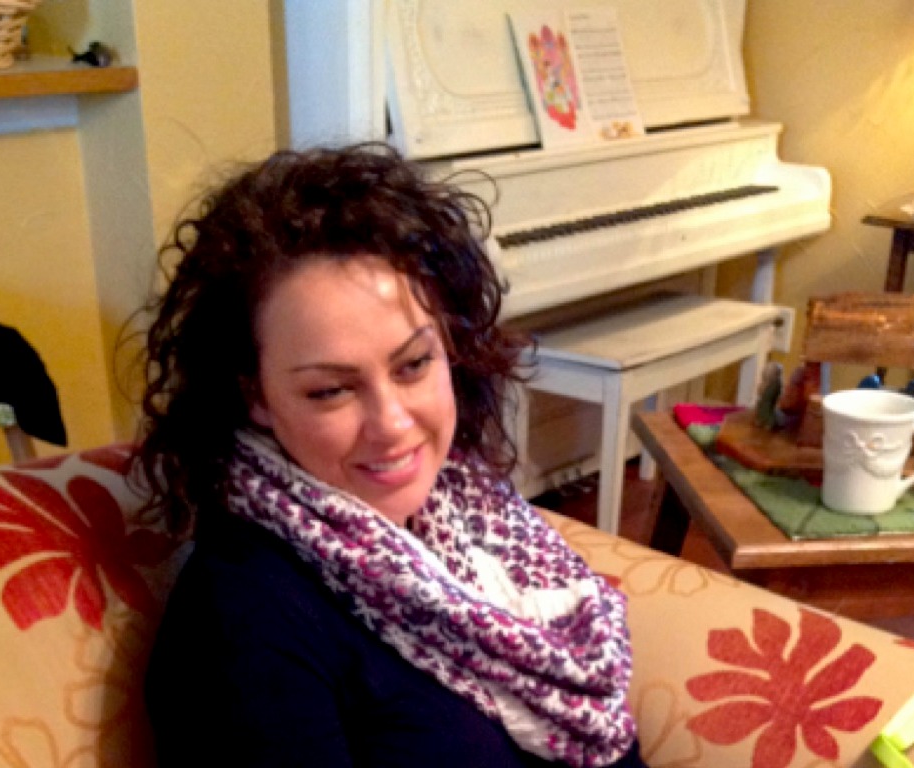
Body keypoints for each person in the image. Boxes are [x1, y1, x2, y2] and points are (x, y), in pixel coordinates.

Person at [135, 144, 645, 768]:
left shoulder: (474, 514)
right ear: (256, 397)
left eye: (413, 364)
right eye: (331, 390)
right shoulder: (242, 622)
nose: (393, 424)